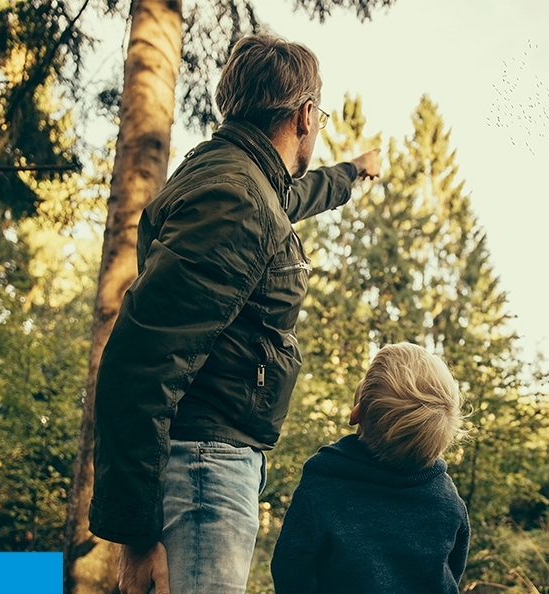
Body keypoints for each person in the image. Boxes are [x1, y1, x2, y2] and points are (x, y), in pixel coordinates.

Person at [87, 33, 381, 594]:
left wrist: (352, 173)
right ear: (305, 114)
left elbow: (292, 198)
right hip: (203, 470)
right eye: (319, 114)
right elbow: (141, 361)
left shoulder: (238, 179)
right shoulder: (238, 199)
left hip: (206, 463)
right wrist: (138, 536)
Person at [270, 342, 470, 594]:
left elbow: (290, 571)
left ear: (357, 414)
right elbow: (451, 572)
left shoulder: (324, 487)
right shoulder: (447, 500)